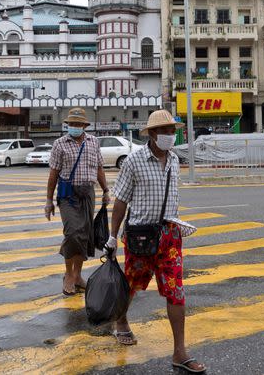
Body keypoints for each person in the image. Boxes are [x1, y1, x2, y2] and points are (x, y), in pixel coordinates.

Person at [106, 109, 206, 373]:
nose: (170, 136)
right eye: (165, 131)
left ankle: (179, 352)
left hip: (170, 237)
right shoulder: (133, 161)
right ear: (151, 134)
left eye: (173, 131)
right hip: (140, 236)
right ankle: (121, 320)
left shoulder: (174, 160)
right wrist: (112, 236)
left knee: (176, 292)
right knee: (131, 285)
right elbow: (120, 202)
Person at [45, 107, 110, 296]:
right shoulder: (59, 144)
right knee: (73, 232)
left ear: (84, 126)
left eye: (77, 124)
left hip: (88, 193)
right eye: (71, 124)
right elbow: (53, 174)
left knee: (84, 235)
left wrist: (106, 190)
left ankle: (78, 276)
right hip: (68, 195)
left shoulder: (93, 142)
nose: (74, 127)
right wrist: (49, 201)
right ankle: (68, 275)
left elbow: (99, 169)